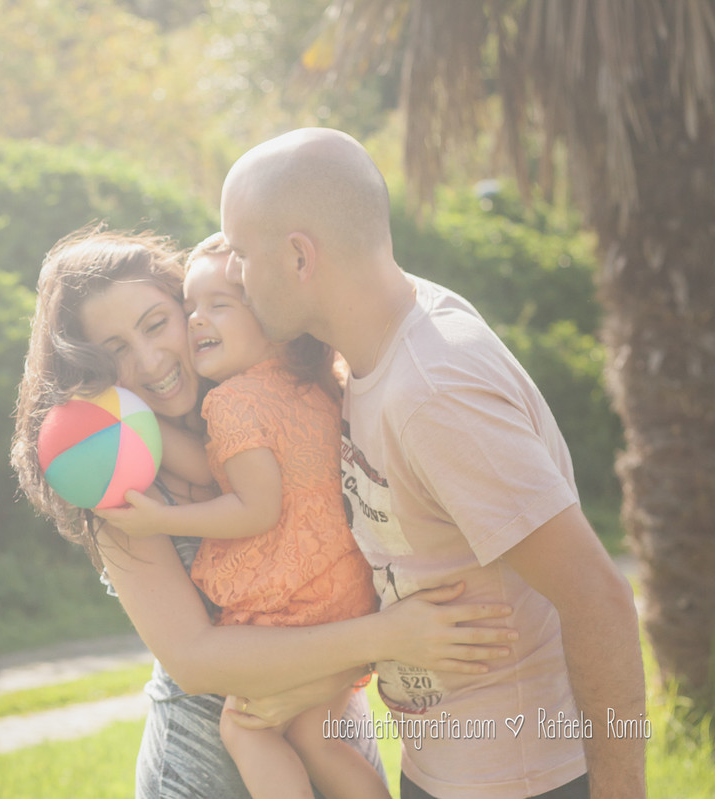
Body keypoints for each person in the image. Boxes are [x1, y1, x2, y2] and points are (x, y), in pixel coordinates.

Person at [11, 225, 521, 799]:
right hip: (205, 771)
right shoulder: (123, 484)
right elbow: (198, 661)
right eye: (116, 351)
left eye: (158, 324)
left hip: (329, 733)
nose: (151, 360)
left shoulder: (291, 391)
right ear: (93, 371)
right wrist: (387, 637)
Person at [219, 128, 647, 799]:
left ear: (301, 257)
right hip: (443, 768)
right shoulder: (373, 339)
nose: (234, 275)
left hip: (520, 779)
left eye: (242, 254)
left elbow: (598, 597)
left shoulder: (435, 390)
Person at [94, 233, 388, 799]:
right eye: (192, 309)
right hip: (345, 595)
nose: (198, 320)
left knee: (246, 728)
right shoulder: (321, 382)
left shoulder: (229, 401)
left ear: (269, 313)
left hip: (294, 605)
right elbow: (211, 470)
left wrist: (161, 520)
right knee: (318, 738)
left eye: (164, 322)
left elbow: (254, 505)